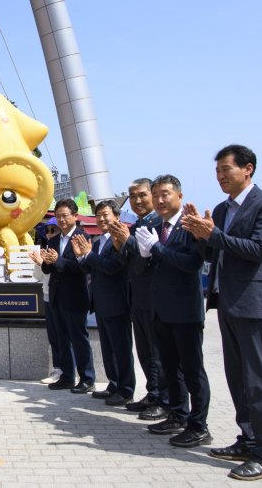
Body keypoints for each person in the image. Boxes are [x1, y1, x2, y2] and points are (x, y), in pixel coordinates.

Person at [182, 144, 262, 481]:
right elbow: (214, 250)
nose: (221, 176)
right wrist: (199, 233)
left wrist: (216, 236)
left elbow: (258, 250)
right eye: (218, 171)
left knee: (259, 382)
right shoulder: (224, 210)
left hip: (254, 304)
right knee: (237, 378)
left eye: (227, 169)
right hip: (226, 302)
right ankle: (248, 438)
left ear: (248, 169)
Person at [135, 174, 212, 449]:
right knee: (170, 369)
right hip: (161, 311)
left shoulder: (190, 224)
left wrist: (156, 248)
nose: (159, 200)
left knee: (192, 370)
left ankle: (199, 425)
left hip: (186, 312)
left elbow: (192, 263)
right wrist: (146, 253)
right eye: (155, 195)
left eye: (165, 194)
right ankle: (177, 414)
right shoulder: (156, 225)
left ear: (179, 195)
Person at [109, 178, 169, 421]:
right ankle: (152, 393)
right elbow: (128, 259)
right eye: (133, 196)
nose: (137, 201)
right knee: (144, 351)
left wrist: (127, 241)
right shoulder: (135, 226)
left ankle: (163, 399)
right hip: (139, 298)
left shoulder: (158, 223)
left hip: (156, 298)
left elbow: (153, 256)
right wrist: (120, 243)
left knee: (157, 353)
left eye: (142, 195)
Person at [71, 200, 135, 406]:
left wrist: (89, 255)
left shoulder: (121, 238)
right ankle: (114, 384)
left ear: (117, 217)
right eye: (98, 216)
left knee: (121, 348)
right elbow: (92, 270)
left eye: (106, 215)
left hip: (117, 302)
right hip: (101, 303)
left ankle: (126, 389)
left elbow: (112, 267)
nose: (102, 219)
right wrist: (82, 258)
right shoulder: (98, 242)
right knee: (108, 349)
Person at [40, 198, 96, 394]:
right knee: (62, 339)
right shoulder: (54, 239)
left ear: (74, 216)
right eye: (58, 216)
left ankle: (87, 378)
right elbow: (48, 268)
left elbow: (84, 267)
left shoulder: (83, 237)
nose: (61, 220)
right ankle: (67, 377)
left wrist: (58, 261)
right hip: (56, 296)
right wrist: (46, 261)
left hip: (76, 296)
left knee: (79, 339)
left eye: (65, 216)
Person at [30, 218, 63, 384]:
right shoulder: (47, 249)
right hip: (48, 296)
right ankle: (58, 369)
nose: (49, 234)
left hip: (64, 298)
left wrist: (49, 262)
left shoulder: (65, 249)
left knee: (66, 336)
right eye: (48, 231)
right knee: (54, 336)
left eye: (53, 230)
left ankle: (70, 370)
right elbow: (38, 277)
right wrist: (39, 264)